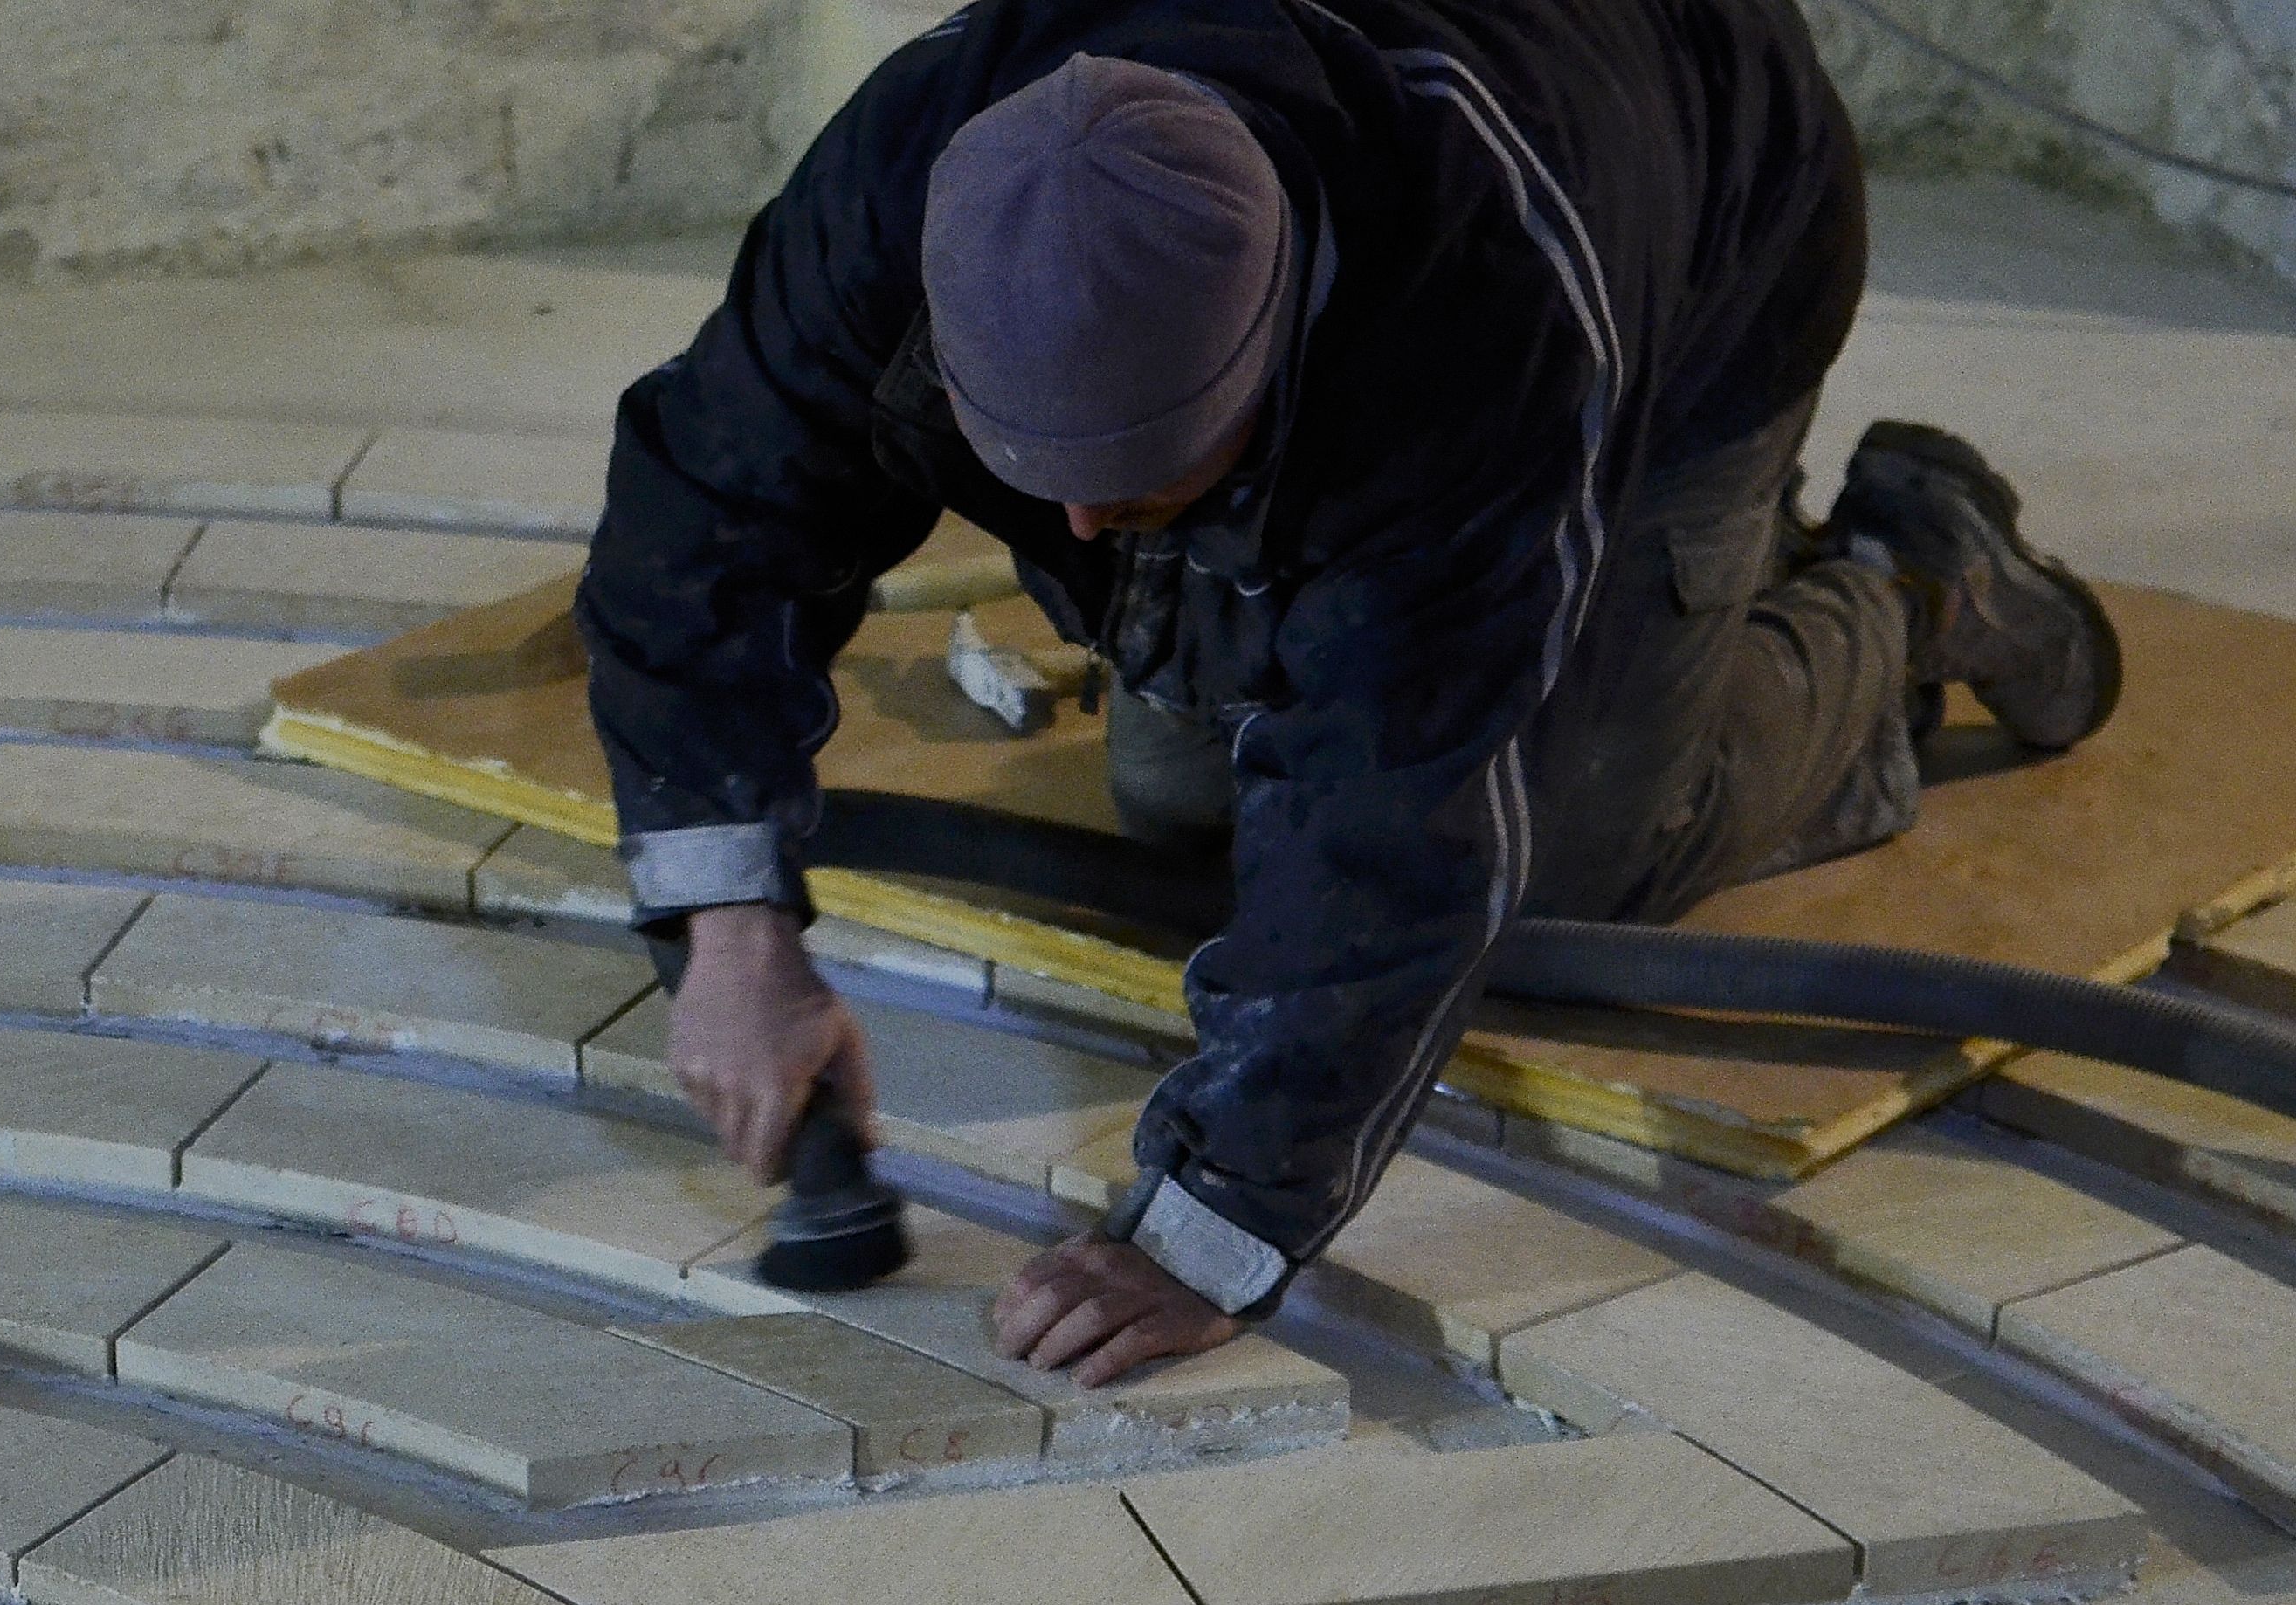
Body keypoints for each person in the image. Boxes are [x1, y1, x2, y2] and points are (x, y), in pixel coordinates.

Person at [581, 0, 2121, 1382]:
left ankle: (1913, 581)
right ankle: (1667, 616)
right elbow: (708, 520)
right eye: (1038, 480)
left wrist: (1210, 1232)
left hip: (1718, 230)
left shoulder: (1486, 319)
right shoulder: (918, 174)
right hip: (1505, 189)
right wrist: (732, 931)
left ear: (1270, 351)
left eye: (1134, 486)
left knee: (1567, 851)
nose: (1074, 537)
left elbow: (1403, 826)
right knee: (1189, 796)